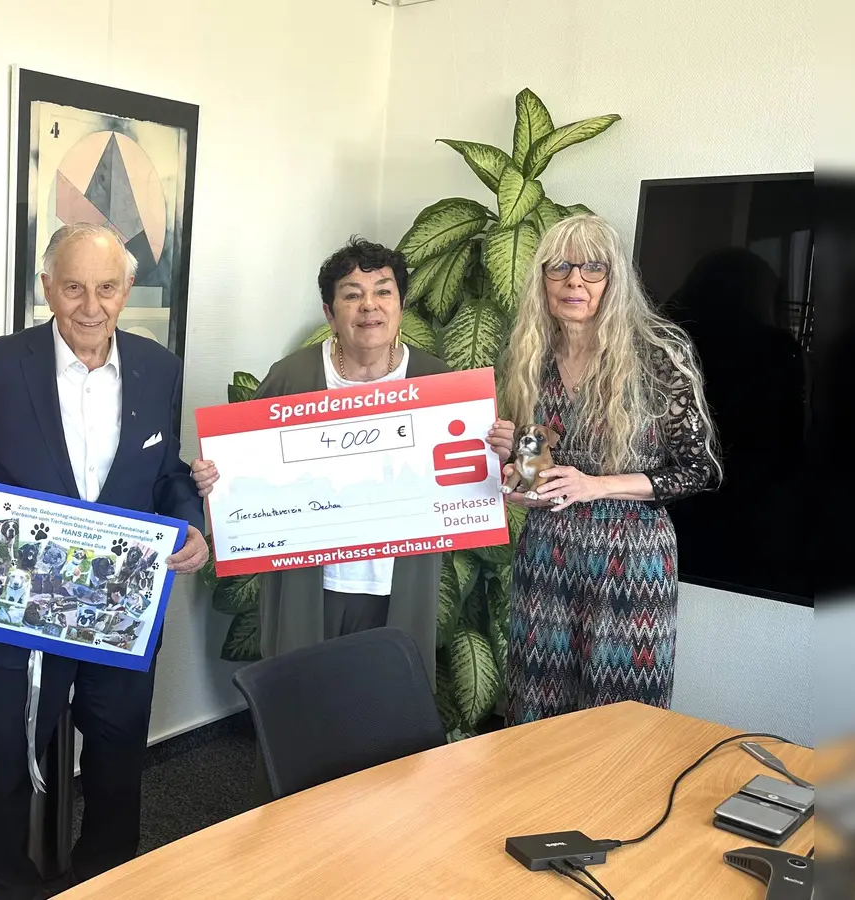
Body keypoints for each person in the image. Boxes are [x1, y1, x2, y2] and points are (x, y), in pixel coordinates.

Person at [0, 222, 209, 899]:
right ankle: (1, 887)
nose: (92, 305)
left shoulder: (159, 367)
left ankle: (108, 879)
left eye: (108, 287)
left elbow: (165, 470)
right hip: (14, 600)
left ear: (128, 289)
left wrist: (190, 523)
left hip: (119, 606)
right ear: (46, 288)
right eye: (75, 288)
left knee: (117, 761)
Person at [190, 238, 512, 683]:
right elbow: (241, 472)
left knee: (389, 709)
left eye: (383, 291)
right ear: (330, 312)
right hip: (310, 583)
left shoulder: (440, 384)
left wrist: (497, 451)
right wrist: (213, 478)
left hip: (397, 582)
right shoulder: (292, 377)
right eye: (351, 294)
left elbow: (475, 485)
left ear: (400, 305)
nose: (369, 306)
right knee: (302, 704)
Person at [496, 213, 719, 724]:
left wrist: (595, 485)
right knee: (536, 710)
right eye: (561, 267)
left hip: (632, 559)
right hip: (547, 555)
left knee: (621, 720)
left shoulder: (659, 354)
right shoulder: (531, 357)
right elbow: (536, 472)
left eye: (593, 268)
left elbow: (696, 468)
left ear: (613, 279)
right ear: (543, 279)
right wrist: (517, 480)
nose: (575, 280)